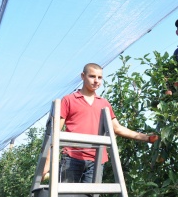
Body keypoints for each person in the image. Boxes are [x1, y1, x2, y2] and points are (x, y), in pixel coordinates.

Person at [42, 63, 157, 194]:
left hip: (96, 160)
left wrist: (147, 138)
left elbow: (117, 128)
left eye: (100, 77)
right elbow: (55, 132)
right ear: (82, 76)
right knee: (66, 195)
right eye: (92, 76)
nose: (96, 80)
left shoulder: (104, 103)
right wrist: (47, 162)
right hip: (72, 157)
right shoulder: (69, 100)